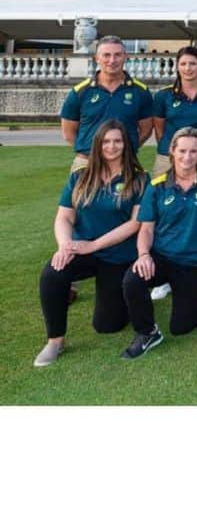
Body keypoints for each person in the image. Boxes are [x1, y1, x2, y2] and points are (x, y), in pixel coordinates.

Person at [34, 122, 147, 367]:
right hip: (82, 248)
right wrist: (65, 245)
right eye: (106, 141)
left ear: (126, 144)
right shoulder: (80, 176)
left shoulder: (139, 179)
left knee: (108, 325)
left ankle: (126, 295)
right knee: (53, 274)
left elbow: (134, 224)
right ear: (97, 144)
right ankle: (55, 341)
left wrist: (93, 245)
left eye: (117, 141)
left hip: (117, 254)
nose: (112, 146)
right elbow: (64, 216)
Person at [120, 127, 197, 359]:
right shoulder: (157, 185)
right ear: (172, 151)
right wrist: (144, 255)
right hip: (161, 258)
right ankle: (147, 333)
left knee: (181, 327)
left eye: (193, 151)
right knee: (132, 280)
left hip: (194, 262)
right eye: (182, 150)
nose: (187, 157)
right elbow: (146, 228)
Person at [60, 35, 153, 171]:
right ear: (97, 58)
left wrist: (126, 149)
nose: (112, 60)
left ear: (125, 57)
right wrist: (91, 152)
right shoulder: (80, 92)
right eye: (106, 55)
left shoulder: (141, 92)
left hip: (125, 163)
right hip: (87, 163)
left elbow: (146, 130)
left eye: (117, 55)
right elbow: (68, 133)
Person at [150, 45, 197, 176]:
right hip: (168, 158)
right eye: (183, 64)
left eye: (192, 64)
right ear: (177, 67)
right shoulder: (163, 95)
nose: (187, 68)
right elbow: (159, 130)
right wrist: (171, 149)